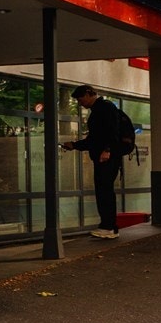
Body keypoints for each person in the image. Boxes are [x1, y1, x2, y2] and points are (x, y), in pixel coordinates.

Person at [61, 84, 126, 239]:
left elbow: (112, 132)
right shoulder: (100, 109)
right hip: (104, 156)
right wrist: (75, 145)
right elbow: (94, 139)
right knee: (104, 190)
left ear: (88, 94)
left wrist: (107, 150)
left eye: (80, 99)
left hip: (106, 157)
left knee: (104, 191)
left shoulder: (104, 108)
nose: (80, 103)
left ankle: (108, 227)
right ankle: (108, 226)